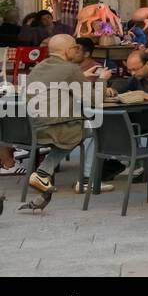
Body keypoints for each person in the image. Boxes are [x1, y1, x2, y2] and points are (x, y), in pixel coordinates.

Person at [23, 35, 100, 203]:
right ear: (67, 50)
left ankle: (43, 174)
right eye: (75, 47)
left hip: (35, 127)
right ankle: (86, 180)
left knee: (80, 131)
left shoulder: (38, 67)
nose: (77, 50)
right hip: (56, 126)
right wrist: (104, 82)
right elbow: (93, 99)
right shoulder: (70, 69)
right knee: (93, 132)